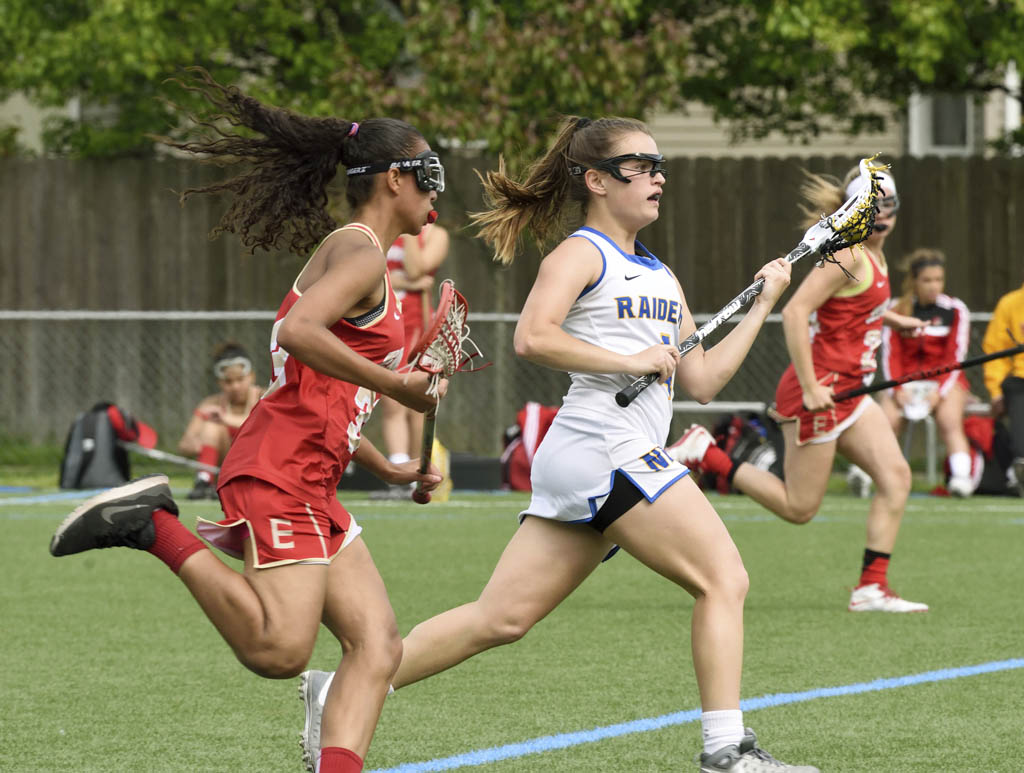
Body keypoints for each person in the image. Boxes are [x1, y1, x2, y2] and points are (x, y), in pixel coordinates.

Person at [300, 116, 817, 773]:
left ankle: (343, 689)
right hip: (605, 445)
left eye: (661, 164)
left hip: (596, 457)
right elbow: (532, 337)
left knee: (500, 618)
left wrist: (765, 301)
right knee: (724, 577)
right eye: (641, 163)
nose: (658, 175)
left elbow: (705, 379)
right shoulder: (581, 254)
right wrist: (626, 359)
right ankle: (726, 748)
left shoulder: (662, 275)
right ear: (596, 180)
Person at [48, 68, 446, 773]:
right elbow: (298, 332)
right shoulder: (358, 255)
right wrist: (397, 384)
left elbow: (319, 394)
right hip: (282, 470)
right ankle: (152, 524)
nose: (435, 194)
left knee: (377, 644)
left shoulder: (359, 255)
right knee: (279, 649)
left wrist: (385, 465)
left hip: (311, 475)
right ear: (393, 179)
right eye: (429, 174)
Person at [671, 165, 931, 613]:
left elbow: (858, 305)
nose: (882, 213)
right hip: (822, 391)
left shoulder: (876, 257)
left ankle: (871, 588)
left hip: (851, 392)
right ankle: (705, 452)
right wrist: (811, 387)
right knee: (799, 507)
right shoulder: (849, 255)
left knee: (896, 478)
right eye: (873, 205)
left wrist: (894, 320)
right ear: (854, 211)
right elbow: (795, 313)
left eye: (888, 203)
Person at [876, 248, 974, 496]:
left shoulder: (956, 310)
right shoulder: (895, 309)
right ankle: (869, 476)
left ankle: (962, 480)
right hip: (904, 380)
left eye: (938, 280)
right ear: (914, 281)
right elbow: (890, 355)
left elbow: (955, 357)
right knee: (886, 420)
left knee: (949, 420)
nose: (934, 286)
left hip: (944, 380)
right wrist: (896, 389)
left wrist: (939, 392)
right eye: (927, 280)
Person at [373, 223, 450, 498]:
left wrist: (408, 233)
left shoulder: (436, 236)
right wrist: (408, 283)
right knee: (392, 401)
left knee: (419, 401)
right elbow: (375, 278)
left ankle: (420, 472)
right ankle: (398, 475)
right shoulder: (381, 231)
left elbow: (418, 269)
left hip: (419, 325)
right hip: (386, 323)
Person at [178, 341, 264, 500]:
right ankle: (204, 483)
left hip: (256, 469)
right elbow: (184, 446)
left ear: (251, 376)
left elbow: (264, 432)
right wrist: (202, 441)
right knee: (211, 427)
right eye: (228, 382)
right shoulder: (211, 404)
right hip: (223, 467)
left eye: (240, 379)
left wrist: (225, 419)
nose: (235, 386)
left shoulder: (264, 398)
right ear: (220, 382)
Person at [982, 276, 1024, 496]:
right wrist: (996, 391)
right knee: (1016, 388)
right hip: (1020, 379)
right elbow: (995, 353)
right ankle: (1021, 463)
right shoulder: (1010, 304)